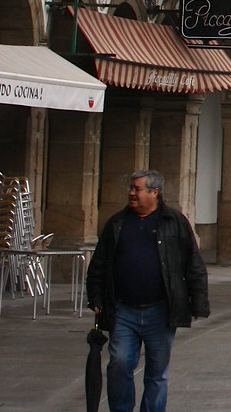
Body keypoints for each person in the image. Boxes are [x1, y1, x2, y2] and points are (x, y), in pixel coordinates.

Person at [85, 170, 210, 412]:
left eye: (137, 189)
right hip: (123, 309)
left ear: (155, 193)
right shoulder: (117, 223)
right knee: (119, 364)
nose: (131, 193)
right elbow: (99, 264)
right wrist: (96, 298)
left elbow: (194, 264)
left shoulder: (174, 222)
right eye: (131, 188)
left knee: (157, 372)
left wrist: (199, 303)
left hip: (161, 311)